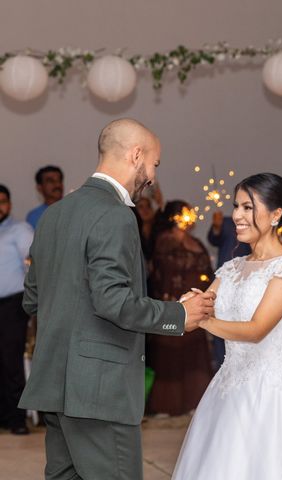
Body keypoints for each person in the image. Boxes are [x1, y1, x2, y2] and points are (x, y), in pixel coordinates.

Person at [19, 118, 214, 480]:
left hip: (56, 387)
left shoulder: (55, 214)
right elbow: (112, 301)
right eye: (154, 163)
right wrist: (177, 314)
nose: (153, 176)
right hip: (98, 391)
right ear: (136, 155)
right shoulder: (115, 215)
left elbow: (32, 298)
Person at [173, 173, 282, 479]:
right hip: (228, 390)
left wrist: (204, 320)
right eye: (237, 206)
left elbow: (256, 330)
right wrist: (188, 303)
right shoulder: (232, 267)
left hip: (270, 395)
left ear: (275, 215)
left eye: (248, 207)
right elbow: (202, 304)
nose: (237, 215)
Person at [146, 201, 215, 416]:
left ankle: (194, 403)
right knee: (170, 355)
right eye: (186, 212)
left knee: (194, 355)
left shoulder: (196, 242)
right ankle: (165, 404)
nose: (191, 215)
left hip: (196, 305)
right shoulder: (165, 241)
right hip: (173, 304)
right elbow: (163, 271)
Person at [0, 185, 33, 435]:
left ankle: (17, 419)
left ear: (9, 204)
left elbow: (33, 264)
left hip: (12, 305)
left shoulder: (19, 230)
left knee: (11, 361)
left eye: (2, 201)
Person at [207, 209, 251, 369]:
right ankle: (222, 367)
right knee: (220, 324)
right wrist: (217, 227)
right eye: (236, 205)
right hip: (226, 283)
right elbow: (213, 238)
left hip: (248, 284)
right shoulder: (227, 222)